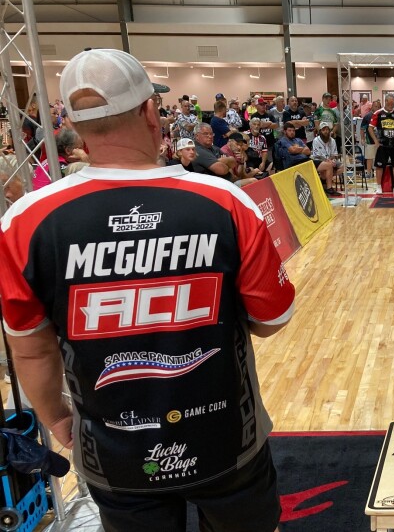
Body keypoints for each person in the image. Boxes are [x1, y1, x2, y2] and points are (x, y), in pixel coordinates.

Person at [0, 48, 295, 532]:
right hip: (228, 439)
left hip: (114, 448)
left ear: (73, 121)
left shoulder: (25, 221)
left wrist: (56, 419)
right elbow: (271, 321)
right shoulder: (226, 202)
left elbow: (29, 349)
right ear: (149, 111)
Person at [369, 93, 394, 194]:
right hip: (382, 144)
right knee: (380, 166)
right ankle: (379, 187)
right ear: (385, 102)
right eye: (390, 104)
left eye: (393, 104)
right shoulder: (378, 113)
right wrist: (376, 141)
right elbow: (370, 128)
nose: (391, 106)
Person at [312, 122, 342, 196]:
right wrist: (327, 160)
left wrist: (332, 160)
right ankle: (329, 187)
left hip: (330, 160)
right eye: (324, 130)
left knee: (343, 166)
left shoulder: (332, 140)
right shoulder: (316, 140)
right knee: (328, 166)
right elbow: (316, 155)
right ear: (320, 131)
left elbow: (335, 154)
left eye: (327, 129)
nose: (326, 131)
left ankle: (324, 179)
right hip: (319, 160)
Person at [360, 100, 380, 182]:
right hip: (370, 140)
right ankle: (368, 173)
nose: (377, 108)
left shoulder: (381, 115)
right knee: (369, 157)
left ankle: (378, 173)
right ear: (372, 107)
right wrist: (362, 139)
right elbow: (362, 129)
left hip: (380, 141)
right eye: (376, 106)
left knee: (379, 158)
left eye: (379, 107)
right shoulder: (367, 116)